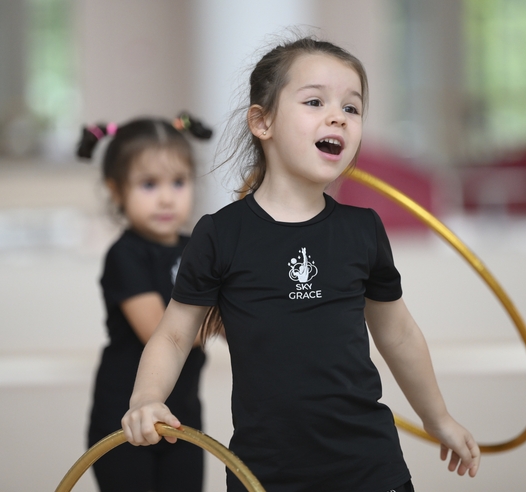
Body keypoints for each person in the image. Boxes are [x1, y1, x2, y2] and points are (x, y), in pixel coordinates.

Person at [121, 37, 481, 492]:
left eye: (352, 109)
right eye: (315, 101)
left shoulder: (362, 230)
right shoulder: (220, 234)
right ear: (262, 121)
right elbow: (174, 335)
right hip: (264, 473)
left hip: (370, 466)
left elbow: (399, 332)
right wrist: (146, 399)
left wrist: (438, 417)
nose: (337, 117)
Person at [76, 113, 212, 492]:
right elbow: (161, 330)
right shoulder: (125, 255)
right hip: (125, 417)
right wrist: (226, 318)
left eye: (178, 182)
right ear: (116, 190)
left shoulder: (198, 249)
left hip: (182, 416)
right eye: (149, 184)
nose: (167, 197)